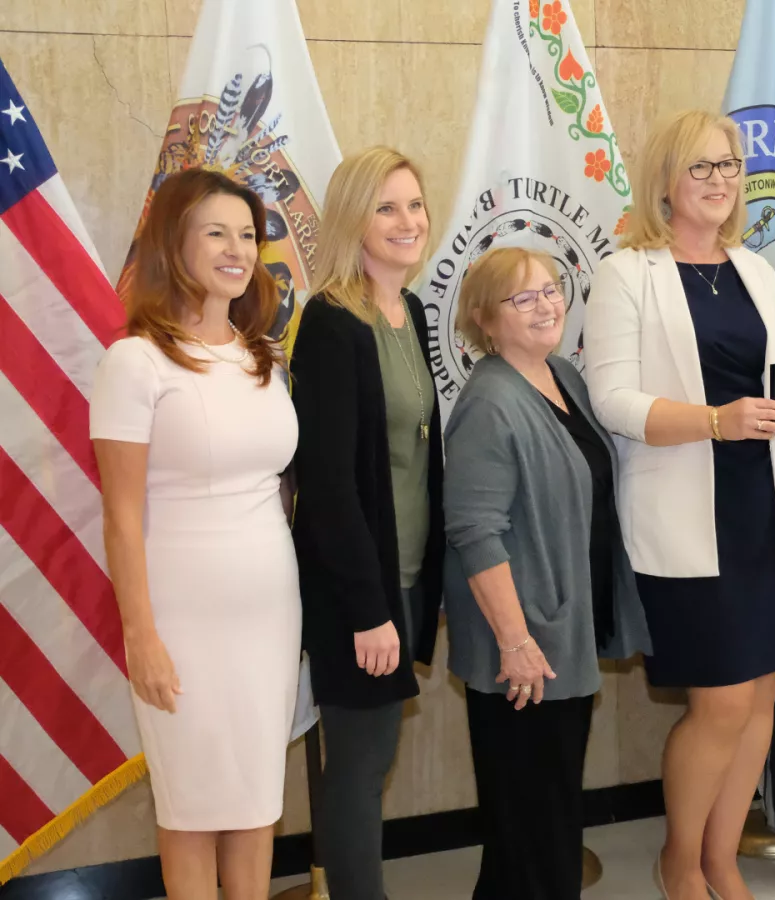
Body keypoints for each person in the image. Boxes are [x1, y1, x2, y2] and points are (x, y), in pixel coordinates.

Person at [584, 109, 775, 900]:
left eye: (729, 166)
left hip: (765, 506)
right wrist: (717, 422)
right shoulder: (628, 272)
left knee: (760, 693)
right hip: (686, 511)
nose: (720, 181)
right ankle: (679, 862)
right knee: (719, 701)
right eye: (702, 168)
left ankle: (722, 860)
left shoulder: (757, 270)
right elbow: (613, 398)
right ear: (665, 182)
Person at [91, 167, 299, 899]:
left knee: (254, 797)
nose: (238, 248)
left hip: (269, 610)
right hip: (181, 617)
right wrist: (140, 633)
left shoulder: (263, 360)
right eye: (217, 231)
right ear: (172, 243)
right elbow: (120, 513)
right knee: (191, 804)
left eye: (248, 234)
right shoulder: (134, 362)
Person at [442, 246, 652, 899]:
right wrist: (515, 641)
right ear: (484, 318)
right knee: (536, 828)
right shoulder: (490, 402)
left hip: (564, 635)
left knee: (533, 825)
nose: (546, 304)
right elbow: (475, 531)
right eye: (522, 297)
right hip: (523, 651)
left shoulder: (562, 374)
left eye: (552, 289)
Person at [289, 147, 444, 900]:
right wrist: (367, 609)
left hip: (407, 576)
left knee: (371, 757)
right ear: (354, 219)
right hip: (362, 589)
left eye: (414, 206)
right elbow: (326, 485)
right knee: (358, 762)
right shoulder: (330, 322)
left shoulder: (408, 310)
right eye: (387, 207)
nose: (407, 222)